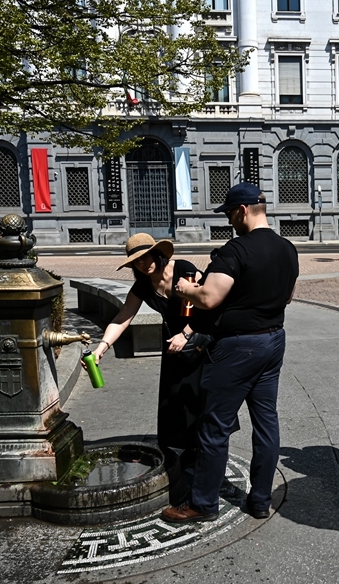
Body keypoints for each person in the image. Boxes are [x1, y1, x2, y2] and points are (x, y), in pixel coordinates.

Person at [164, 183, 299, 521]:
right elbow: (288, 297)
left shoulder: (235, 250)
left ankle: (203, 504)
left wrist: (185, 290)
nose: (228, 221)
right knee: (266, 422)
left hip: (238, 347)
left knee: (214, 426)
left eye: (228, 214)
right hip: (273, 340)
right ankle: (260, 501)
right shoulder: (288, 248)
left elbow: (209, 298)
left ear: (241, 212)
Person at [87, 234, 207, 477]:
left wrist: (185, 333)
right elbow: (123, 316)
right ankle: (179, 456)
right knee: (172, 400)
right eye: (136, 261)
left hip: (197, 338)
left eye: (146, 256)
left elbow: (209, 303)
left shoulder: (184, 269)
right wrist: (101, 348)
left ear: (157, 253)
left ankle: (202, 455)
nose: (143, 263)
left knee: (197, 398)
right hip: (172, 344)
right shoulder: (142, 284)